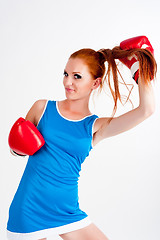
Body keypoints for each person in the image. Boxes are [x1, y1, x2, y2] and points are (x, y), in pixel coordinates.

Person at [7, 36, 157, 240]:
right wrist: (16, 148)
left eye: (77, 76)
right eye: (66, 74)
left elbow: (146, 110)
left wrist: (141, 71)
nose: (68, 82)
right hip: (28, 211)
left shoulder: (95, 126)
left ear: (95, 83)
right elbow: (17, 150)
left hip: (67, 213)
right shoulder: (42, 108)